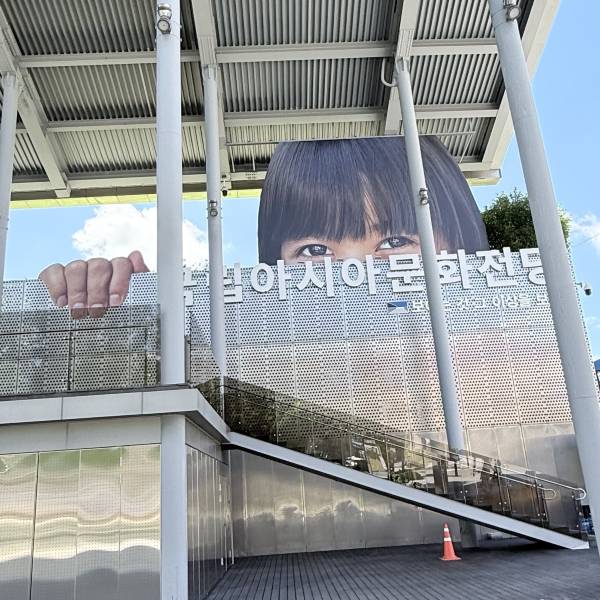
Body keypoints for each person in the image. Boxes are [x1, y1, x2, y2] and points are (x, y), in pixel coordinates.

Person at [39, 135, 488, 318]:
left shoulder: (516, 361)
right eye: (315, 251)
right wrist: (125, 327)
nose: (354, 276)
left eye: (394, 241)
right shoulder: (253, 363)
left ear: (461, 247)